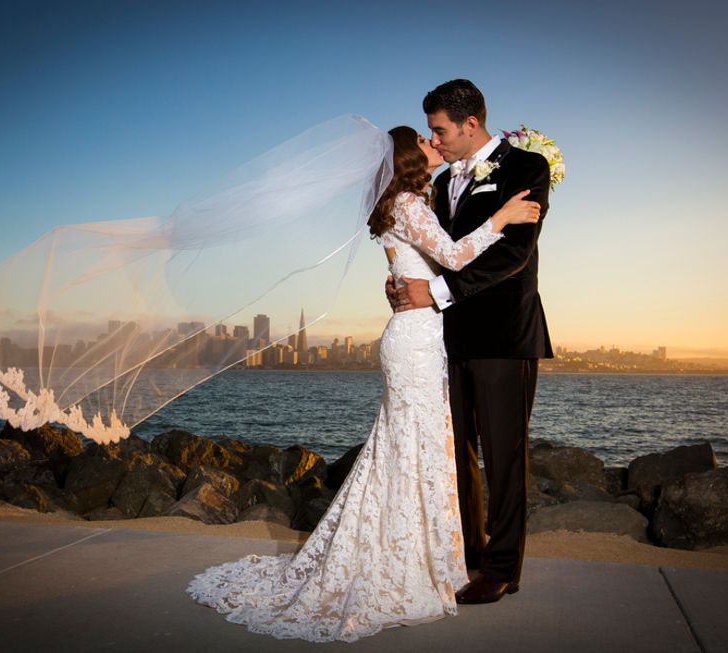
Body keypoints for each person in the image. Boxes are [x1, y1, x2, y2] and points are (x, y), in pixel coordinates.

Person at [186, 125, 540, 642]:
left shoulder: (407, 202)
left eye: (436, 133)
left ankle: (420, 552)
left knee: (406, 449)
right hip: (418, 342)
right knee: (418, 448)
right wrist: (501, 218)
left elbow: (424, 259)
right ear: (407, 157)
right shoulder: (410, 205)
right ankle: (413, 558)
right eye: (425, 139)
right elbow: (458, 256)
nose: (433, 143)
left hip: (417, 336)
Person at [392, 79, 553, 605]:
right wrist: (401, 277)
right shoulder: (438, 185)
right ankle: (471, 555)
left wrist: (434, 291)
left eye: (440, 130)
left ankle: (503, 569)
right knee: (456, 454)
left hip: (505, 335)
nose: (435, 141)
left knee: (504, 458)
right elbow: (439, 246)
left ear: (470, 124)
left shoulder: (525, 168)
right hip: (447, 338)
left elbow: (512, 256)